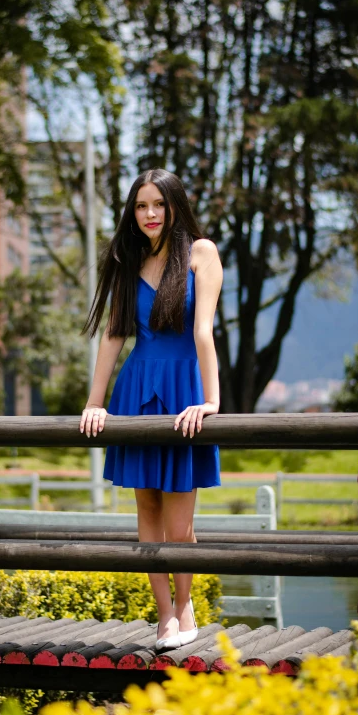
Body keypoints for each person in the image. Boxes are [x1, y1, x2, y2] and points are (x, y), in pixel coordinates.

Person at [79, 168, 223, 651]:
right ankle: (164, 616)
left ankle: (186, 608)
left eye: (158, 204)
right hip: (136, 386)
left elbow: (203, 331)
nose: (150, 214)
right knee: (146, 506)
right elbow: (115, 334)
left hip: (185, 385)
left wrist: (210, 400)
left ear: (175, 204)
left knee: (181, 519)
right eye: (141, 206)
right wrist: (95, 403)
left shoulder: (201, 253)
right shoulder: (127, 259)